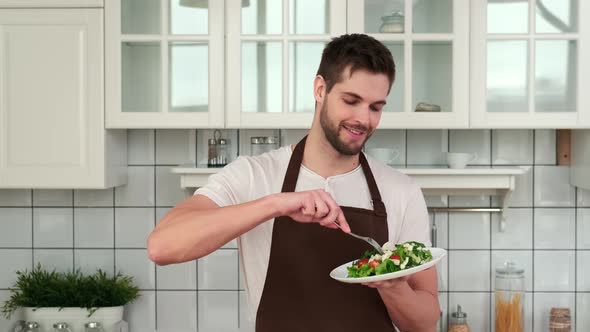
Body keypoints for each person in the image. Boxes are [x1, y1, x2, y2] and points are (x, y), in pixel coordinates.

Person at [147, 33, 440, 331]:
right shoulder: (253, 175)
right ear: (320, 89)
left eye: (376, 107)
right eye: (351, 101)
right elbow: (162, 247)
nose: (363, 119)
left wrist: (392, 285)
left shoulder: (401, 190)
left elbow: (426, 323)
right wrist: (276, 203)